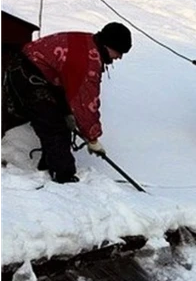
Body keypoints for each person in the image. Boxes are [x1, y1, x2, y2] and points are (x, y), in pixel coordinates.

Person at [4, 22, 132, 183]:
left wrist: (68, 113)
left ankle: (49, 165)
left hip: (36, 74)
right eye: (119, 52)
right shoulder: (88, 60)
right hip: (28, 75)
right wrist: (92, 138)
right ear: (108, 45)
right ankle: (62, 176)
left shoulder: (87, 43)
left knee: (59, 120)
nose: (119, 57)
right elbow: (86, 103)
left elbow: (69, 88)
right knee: (53, 125)